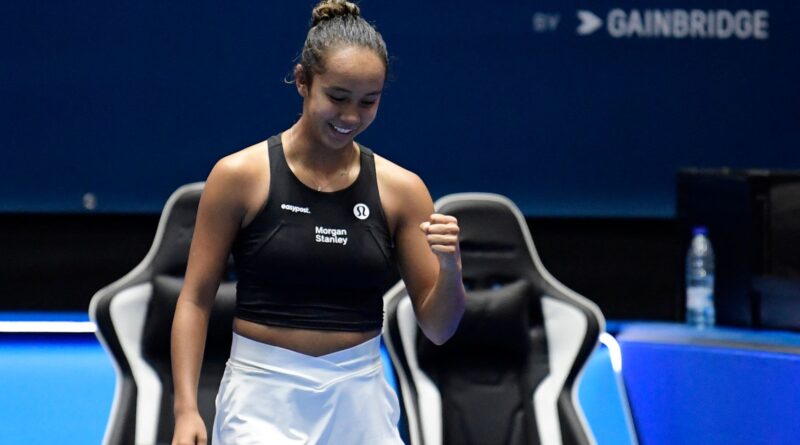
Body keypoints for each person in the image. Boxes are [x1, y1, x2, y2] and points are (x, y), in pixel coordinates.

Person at [170, 1, 466, 444]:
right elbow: (194, 300)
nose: (351, 117)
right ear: (303, 81)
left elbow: (439, 329)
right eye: (338, 97)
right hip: (261, 397)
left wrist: (450, 269)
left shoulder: (403, 190)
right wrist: (186, 410)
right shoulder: (238, 177)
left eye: (369, 102)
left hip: (361, 397)